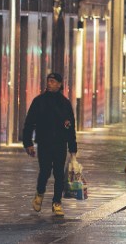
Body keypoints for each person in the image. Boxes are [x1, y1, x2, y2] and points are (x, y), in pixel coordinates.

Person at [23, 72, 78, 217]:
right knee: (45, 171)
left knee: (59, 173)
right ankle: (39, 193)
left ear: (60, 84)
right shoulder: (39, 101)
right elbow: (29, 123)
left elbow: (71, 127)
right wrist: (27, 142)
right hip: (44, 143)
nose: (50, 84)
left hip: (60, 143)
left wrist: (72, 148)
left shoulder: (65, 104)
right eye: (48, 81)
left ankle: (57, 203)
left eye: (53, 81)